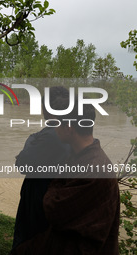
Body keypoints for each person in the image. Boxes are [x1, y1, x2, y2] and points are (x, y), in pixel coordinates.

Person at [12, 100, 120, 255]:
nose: (54, 128)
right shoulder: (79, 156)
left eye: (57, 123)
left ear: (69, 128)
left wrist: (52, 188)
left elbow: (53, 209)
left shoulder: (94, 169)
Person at [11, 86, 70, 251]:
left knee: (29, 240)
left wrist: (32, 138)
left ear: (47, 110)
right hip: (53, 197)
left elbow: (22, 163)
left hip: (39, 198)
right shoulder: (70, 132)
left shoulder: (50, 136)